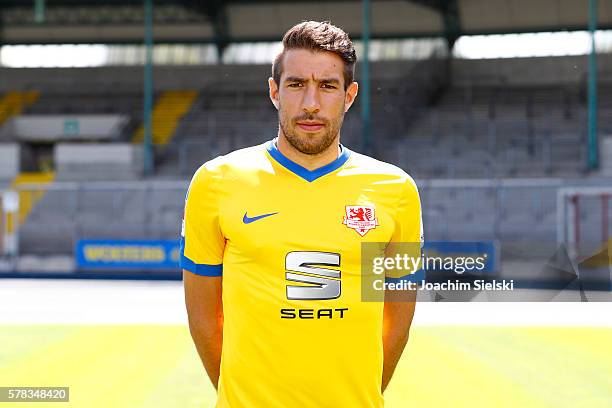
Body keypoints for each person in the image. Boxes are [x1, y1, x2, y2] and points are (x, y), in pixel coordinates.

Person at [182, 20, 423, 408]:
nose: (310, 103)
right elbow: (205, 321)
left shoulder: (396, 190)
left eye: (327, 86)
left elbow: (396, 323)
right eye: (296, 84)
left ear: (349, 96)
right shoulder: (216, 181)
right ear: (275, 91)